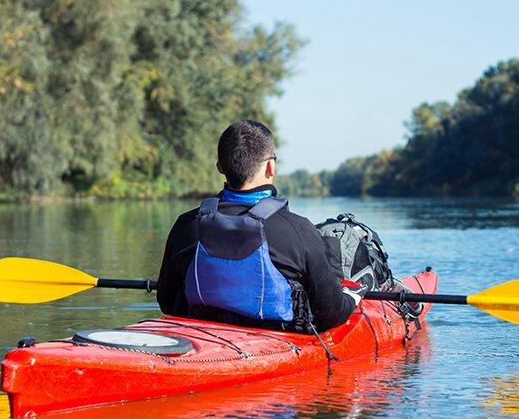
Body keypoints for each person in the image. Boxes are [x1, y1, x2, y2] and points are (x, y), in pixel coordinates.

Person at [156, 120, 366, 332]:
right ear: (270, 166)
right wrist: (351, 297)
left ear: (219, 166)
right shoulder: (298, 229)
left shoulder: (186, 225)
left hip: (205, 338)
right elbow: (333, 314)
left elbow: (167, 301)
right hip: (276, 342)